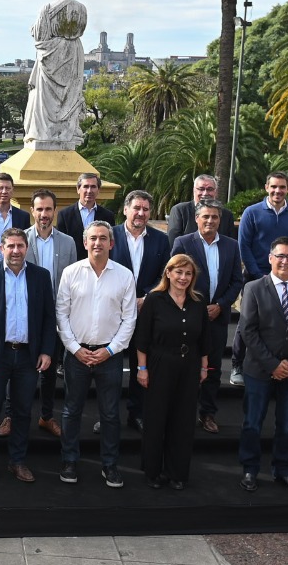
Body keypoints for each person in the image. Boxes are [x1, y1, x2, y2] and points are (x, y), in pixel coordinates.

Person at [236, 236, 288, 494]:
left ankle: (283, 471)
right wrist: (273, 364)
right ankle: (250, 469)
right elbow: (248, 331)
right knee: (253, 423)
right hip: (259, 370)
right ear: (270, 258)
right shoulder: (253, 288)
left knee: (287, 426)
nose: (285, 261)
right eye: (280, 256)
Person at [0, 229, 57, 484]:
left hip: (29, 357)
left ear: (27, 248)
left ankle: (17, 461)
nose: (16, 251)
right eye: (11, 246)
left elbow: (48, 318)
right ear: (2, 248)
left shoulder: (41, 277)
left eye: (20, 246)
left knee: (22, 411)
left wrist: (46, 351)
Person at [55, 221, 136, 487]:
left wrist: (110, 350)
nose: (98, 243)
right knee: (71, 411)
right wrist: (75, 349)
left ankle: (110, 465)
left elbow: (129, 320)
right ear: (84, 242)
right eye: (93, 238)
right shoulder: (70, 273)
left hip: (109, 356)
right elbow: (61, 315)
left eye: (103, 238)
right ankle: (69, 461)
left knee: (111, 414)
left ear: (111, 243)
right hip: (76, 355)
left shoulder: (124, 276)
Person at [134, 254, 208, 490]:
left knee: (183, 420)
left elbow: (204, 339)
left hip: (190, 365)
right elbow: (142, 338)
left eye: (188, 274)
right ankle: (153, 471)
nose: (183, 278)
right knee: (156, 418)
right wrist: (142, 368)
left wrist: (204, 367)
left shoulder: (198, 302)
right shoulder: (155, 300)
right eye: (179, 272)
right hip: (159, 364)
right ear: (168, 273)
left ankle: (177, 472)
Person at [171, 200, 244, 434]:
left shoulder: (232, 246)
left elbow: (236, 281)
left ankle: (208, 413)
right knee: (185, 368)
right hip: (188, 318)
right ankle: (181, 415)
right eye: (206, 217)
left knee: (212, 369)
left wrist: (221, 306)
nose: (210, 221)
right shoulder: (183, 243)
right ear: (197, 219)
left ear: (220, 220)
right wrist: (194, 308)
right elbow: (173, 278)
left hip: (217, 318)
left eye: (214, 217)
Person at [232, 172, 288, 386]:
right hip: (256, 277)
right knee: (246, 323)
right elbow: (243, 246)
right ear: (266, 187)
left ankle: (277, 365)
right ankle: (237, 364)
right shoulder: (252, 212)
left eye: (282, 187)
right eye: (274, 186)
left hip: (285, 278)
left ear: (287, 189)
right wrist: (259, 274)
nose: (278, 191)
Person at [110, 190, 171, 434]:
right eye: (136, 208)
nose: (141, 213)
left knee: (142, 366)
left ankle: (137, 413)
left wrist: (145, 296)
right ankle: (108, 415)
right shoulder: (110, 235)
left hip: (146, 311)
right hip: (112, 311)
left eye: (146, 209)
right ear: (126, 210)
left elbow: (164, 274)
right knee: (110, 368)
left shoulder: (160, 239)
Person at [25, 189, 77, 437]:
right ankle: (12, 416)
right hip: (24, 317)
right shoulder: (20, 241)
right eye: (39, 209)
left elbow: (73, 284)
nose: (44, 214)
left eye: (48, 209)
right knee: (19, 370)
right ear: (32, 211)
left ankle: (46, 416)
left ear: (55, 211)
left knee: (48, 372)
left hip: (55, 319)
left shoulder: (68, 243)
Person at [23, 0, 87, 148]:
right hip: (72, 52)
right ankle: (65, 133)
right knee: (70, 94)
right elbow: (80, 29)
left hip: (49, 54)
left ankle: (44, 132)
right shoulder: (80, 8)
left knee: (44, 98)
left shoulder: (45, 9)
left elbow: (40, 35)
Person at [56, 172, 116, 262]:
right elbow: (61, 245)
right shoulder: (64, 215)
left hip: (99, 265)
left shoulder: (108, 216)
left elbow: (110, 244)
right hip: (74, 266)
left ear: (98, 190)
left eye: (93, 187)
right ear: (78, 189)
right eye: (86, 186)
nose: (89, 191)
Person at [165, 174, 235, 245]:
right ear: (194, 190)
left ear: (216, 192)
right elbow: (172, 243)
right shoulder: (180, 211)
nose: (205, 193)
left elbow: (231, 245)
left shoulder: (227, 215)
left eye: (210, 189)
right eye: (201, 189)